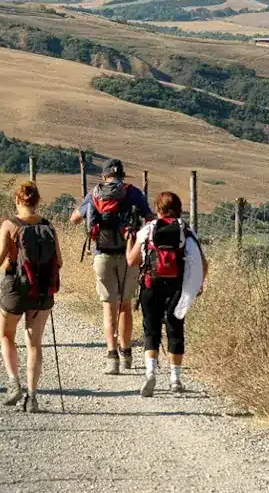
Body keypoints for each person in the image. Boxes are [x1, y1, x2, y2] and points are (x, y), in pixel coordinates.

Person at [0, 182, 62, 413]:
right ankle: (32, 396)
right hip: (42, 292)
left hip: (15, 288)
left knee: (7, 335)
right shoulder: (48, 226)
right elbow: (59, 260)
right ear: (37, 201)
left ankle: (13, 383)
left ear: (17, 200)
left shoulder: (10, 224)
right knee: (34, 343)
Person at [69, 158, 153, 375]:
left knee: (109, 307)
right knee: (125, 305)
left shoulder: (95, 193)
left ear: (104, 175)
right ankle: (126, 354)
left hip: (102, 254)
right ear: (122, 175)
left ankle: (112, 357)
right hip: (129, 255)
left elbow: (74, 219)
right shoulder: (133, 192)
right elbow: (150, 218)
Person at [126, 191, 208, 397]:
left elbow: (131, 260)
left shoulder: (148, 229)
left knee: (151, 330)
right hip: (177, 288)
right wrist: (197, 284)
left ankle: (151, 373)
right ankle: (175, 379)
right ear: (179, 208)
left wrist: (130, 239)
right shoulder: (187, 231)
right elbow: (202, 263)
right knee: (175, 329)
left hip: (150, 284)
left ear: (158, 209)